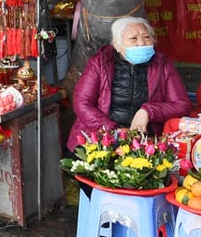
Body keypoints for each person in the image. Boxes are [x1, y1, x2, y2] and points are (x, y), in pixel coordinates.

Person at [68, 15, 192, 147]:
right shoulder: (100, 63)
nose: (142, 43)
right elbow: (82, 103)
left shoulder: (163, 64)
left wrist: (148, 111)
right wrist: (113, 130)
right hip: (100, 138)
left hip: (145, 140)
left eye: (146, 37)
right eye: (133, 39)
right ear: (117, 45)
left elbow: (181, 105)